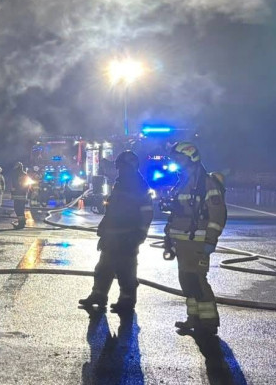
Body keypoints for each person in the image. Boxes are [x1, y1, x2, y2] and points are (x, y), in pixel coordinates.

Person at [164, 141, 228, 336]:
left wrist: (211, 239)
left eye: (179, 159)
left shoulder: (206, 183)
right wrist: (169, 238)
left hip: (197, 242)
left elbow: (218, 214)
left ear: (190, 158)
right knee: (186, 280)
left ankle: (209, 322)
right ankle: (193, 317)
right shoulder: (183, 182)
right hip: (182, 241)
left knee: (198, 280)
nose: (176, 163)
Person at [78, 150, 153, 313]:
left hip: (128, 236)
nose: (119, 170)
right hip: (112, 235)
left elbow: (146, 213)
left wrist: (139, 235)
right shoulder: (121, 183)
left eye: (122, 167)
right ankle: (98, 295)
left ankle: (127, 300)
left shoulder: (139, 186)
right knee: (103, 267)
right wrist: (104, 230)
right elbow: (113, 210)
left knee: (126, 269)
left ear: (130, 167)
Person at [11, 162, 31, 229]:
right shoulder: (25, 174)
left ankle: (21, 223)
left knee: (18, 209)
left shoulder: (16, 175)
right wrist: (26, 195)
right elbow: (28, 185)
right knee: (20, 209)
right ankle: (22, 222)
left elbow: (15, 185)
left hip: (18, 194)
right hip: (22, 194)